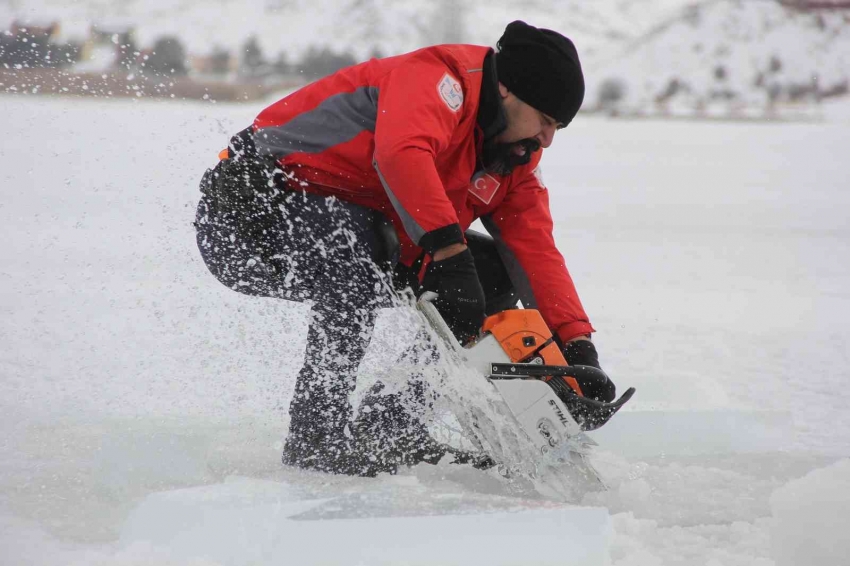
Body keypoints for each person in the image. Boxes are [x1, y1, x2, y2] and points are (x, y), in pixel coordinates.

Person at [194, 20, 616, 477]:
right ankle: (316, 437)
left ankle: (390, 425)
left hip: (361, 230)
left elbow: (535, 251)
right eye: (546, 120)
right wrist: (449, 255)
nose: (548, 139)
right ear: (508, 91)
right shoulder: (438, 79)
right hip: (248, 223)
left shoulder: (513, 154)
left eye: (558, 128)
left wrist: (576, 346)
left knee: (490, 274)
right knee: (358, 246)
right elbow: (402, 153)